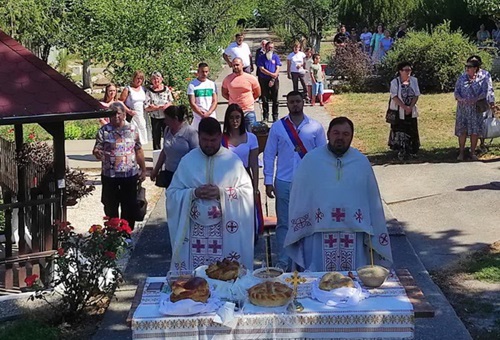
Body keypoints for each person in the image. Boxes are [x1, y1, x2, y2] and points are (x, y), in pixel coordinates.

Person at [284, 117, 393, 271]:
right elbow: (298, 195)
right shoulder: (311, 161)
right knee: (318, 279)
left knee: (353, 280)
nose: (340, 138)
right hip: (317, 233)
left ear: (351, 137)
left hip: (354, 234)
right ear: (328, 134)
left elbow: (372, 199)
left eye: (346, 134)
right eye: (336, 133)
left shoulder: (361, 162)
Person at [166, 117, 254, 271]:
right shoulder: (188, 161)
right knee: (195, 276)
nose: (209, 144)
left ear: (220, 137)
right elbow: (172, 193)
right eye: (205, 139)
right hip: (194, 231)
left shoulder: (232, 161)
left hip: (224, 230)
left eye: (213, 140)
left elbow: (247, 192)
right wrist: (193, 193)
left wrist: (222, 193)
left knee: (224, 272)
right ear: (198, 136)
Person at [263, 91, 327, 271]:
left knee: (308, 221)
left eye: (298, 101)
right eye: (291, 102)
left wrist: (322, 182)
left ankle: (306, 260)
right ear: (287, 104)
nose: (295, 105)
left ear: (303, 103)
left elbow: (323, 156)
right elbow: (269, 155)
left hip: (308, 182)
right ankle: (284, 261)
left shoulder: (315, 127)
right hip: (284, 180)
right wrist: (268, 180)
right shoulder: (278, 127)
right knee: (284, 222)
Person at [93, 102, 146, 230]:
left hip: (129, 174)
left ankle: (126, 232)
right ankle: (113, 231)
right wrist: (97, 152)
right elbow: (96, 149)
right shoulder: (104, 131)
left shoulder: (132, 129)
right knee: (110, 205)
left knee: (129, 205)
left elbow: (138, 150)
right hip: (110, 175)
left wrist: (143, 169)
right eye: (112, 113)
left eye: (118, 113)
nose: (116, 116)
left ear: (124, 114)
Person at [150, 105, 198, 189]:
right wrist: (156, 169)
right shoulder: (167, 130)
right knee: (171, 198)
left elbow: (197, 154)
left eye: (167, 118)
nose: (164, 121)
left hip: (185, 174)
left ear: (175, 119)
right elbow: (164, 152)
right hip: (169, 173)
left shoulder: (190, 132)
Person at [454, 59, 488, 161]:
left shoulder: (482, 79)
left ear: (475, 68)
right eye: (466, 67)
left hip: (475, 109)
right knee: (462, 131)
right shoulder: (461, 78)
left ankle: (473, 153)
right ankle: (461, 153)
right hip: (463, 109)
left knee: (475, 131)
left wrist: (475, 99)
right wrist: (461, 99)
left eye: (469, 67)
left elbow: (484, 92)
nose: (467, 69)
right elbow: (456, 92)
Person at [387, 61, 421, 160]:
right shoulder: (395, 82)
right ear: (400, 71)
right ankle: (401, 150)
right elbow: (394, 96)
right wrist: (404, 107)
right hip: (399, 110)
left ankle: (412, 150)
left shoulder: (414, 80)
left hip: (411, 110)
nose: (408, 72)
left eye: (409, 70)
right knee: (400, 129)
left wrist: (410, 107)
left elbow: (416, 94)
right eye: (406, 70)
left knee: (412, 129)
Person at [222, 104, 259, 190]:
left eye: (237, 117)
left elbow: (254, 165)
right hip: (226, 180)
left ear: (242, 118)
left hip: (245, 179)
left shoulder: (251, 138)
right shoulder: (221, 139)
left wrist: (256, 188)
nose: (235, 120)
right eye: (231, 117)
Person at [221, 57, 261, 131]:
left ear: (242, 65)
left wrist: (249, 101)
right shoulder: (228, 79)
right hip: (234, 112)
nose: (235, 67)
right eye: (233, 65)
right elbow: (224, 93)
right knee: (234, 136)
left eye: (237, 65)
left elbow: (258, 93)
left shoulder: (251, 78)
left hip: (248, 111)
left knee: (251, 135)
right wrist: (233, 99)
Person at [466, 55, 496, 152]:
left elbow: (489, 88)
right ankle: (472, 146)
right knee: (471, 124)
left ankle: (482, 143)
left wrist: (492, 102)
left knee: (482, 122)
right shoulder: (466, 74)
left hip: (482, 102)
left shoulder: (485, 74)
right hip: (469, 104)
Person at [145, 71, 174, 150]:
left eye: (157, 79)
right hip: (155, 118)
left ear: (161, 79)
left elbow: (171, 101)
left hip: (166, 117)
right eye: (154, 79)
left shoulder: (166, 89)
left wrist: (166, 106)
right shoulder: (149, 91)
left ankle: (168, 153)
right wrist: (156, 108)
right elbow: (146, 107)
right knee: (156, 137)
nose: (156, 80)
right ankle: (157, 155)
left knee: (168, 136)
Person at [119, 70, 148, 145]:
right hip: (131, 115)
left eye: (141, 79)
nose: (139, 80)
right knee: (132, 133)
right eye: (137, 78)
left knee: (142, 131)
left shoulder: (143, 89)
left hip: (141, 115)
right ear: (133, 78)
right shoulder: (128, 89)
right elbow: (120, 102)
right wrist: (128, 111)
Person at [187, 63, 218, 131]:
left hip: (211, 116)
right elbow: (192, 103)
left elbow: (215, 101)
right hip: (198, 118)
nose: (204, 74)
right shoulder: (192, 85)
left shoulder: (212, 84)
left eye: (206, 72)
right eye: (202, 72)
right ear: (198, 72)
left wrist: (209, 113)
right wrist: (201, 114)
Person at [257, 41, 281, 122]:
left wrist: (274, 76)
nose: (270, 49)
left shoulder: (275, 57)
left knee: (275, 99)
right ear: (265, 48)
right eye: (269, 47)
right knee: (265, 98)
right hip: (264, 79)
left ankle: (275, 116)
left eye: (271, 47)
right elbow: (261, 69)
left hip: (274, 79)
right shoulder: (261, 57)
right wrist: (271, 74)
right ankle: (265, 116)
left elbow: (278, 67)